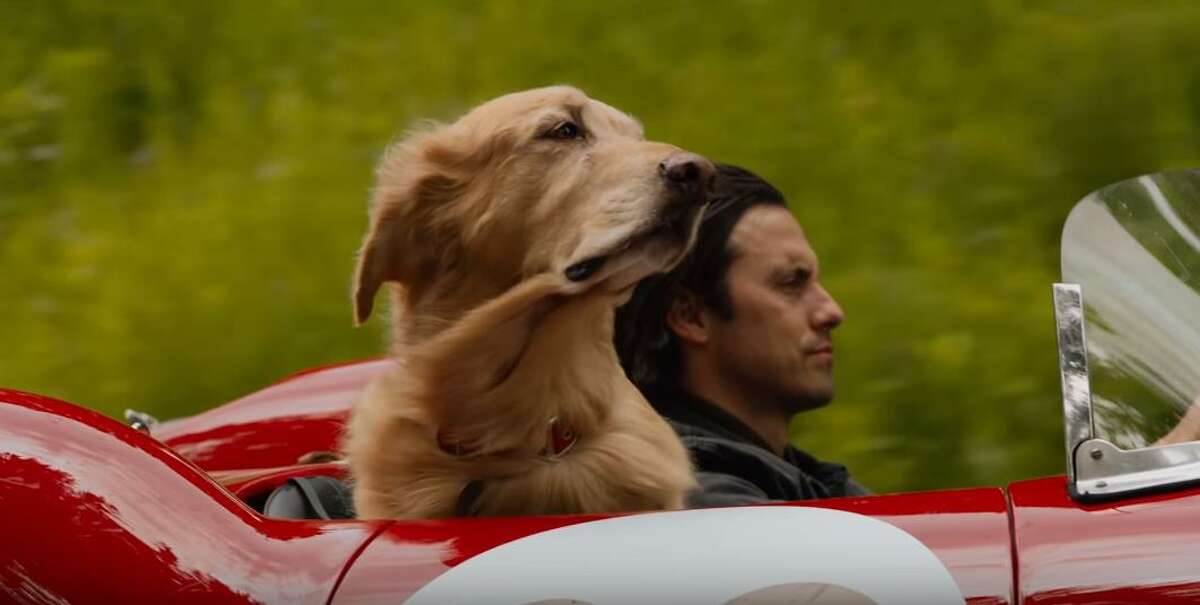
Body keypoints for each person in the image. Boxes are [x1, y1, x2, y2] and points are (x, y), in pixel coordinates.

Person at [615, 163, 870, 506]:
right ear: (691, 318)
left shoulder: (808, 484)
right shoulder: (699, 502)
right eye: (792, 283)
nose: (832, 312)